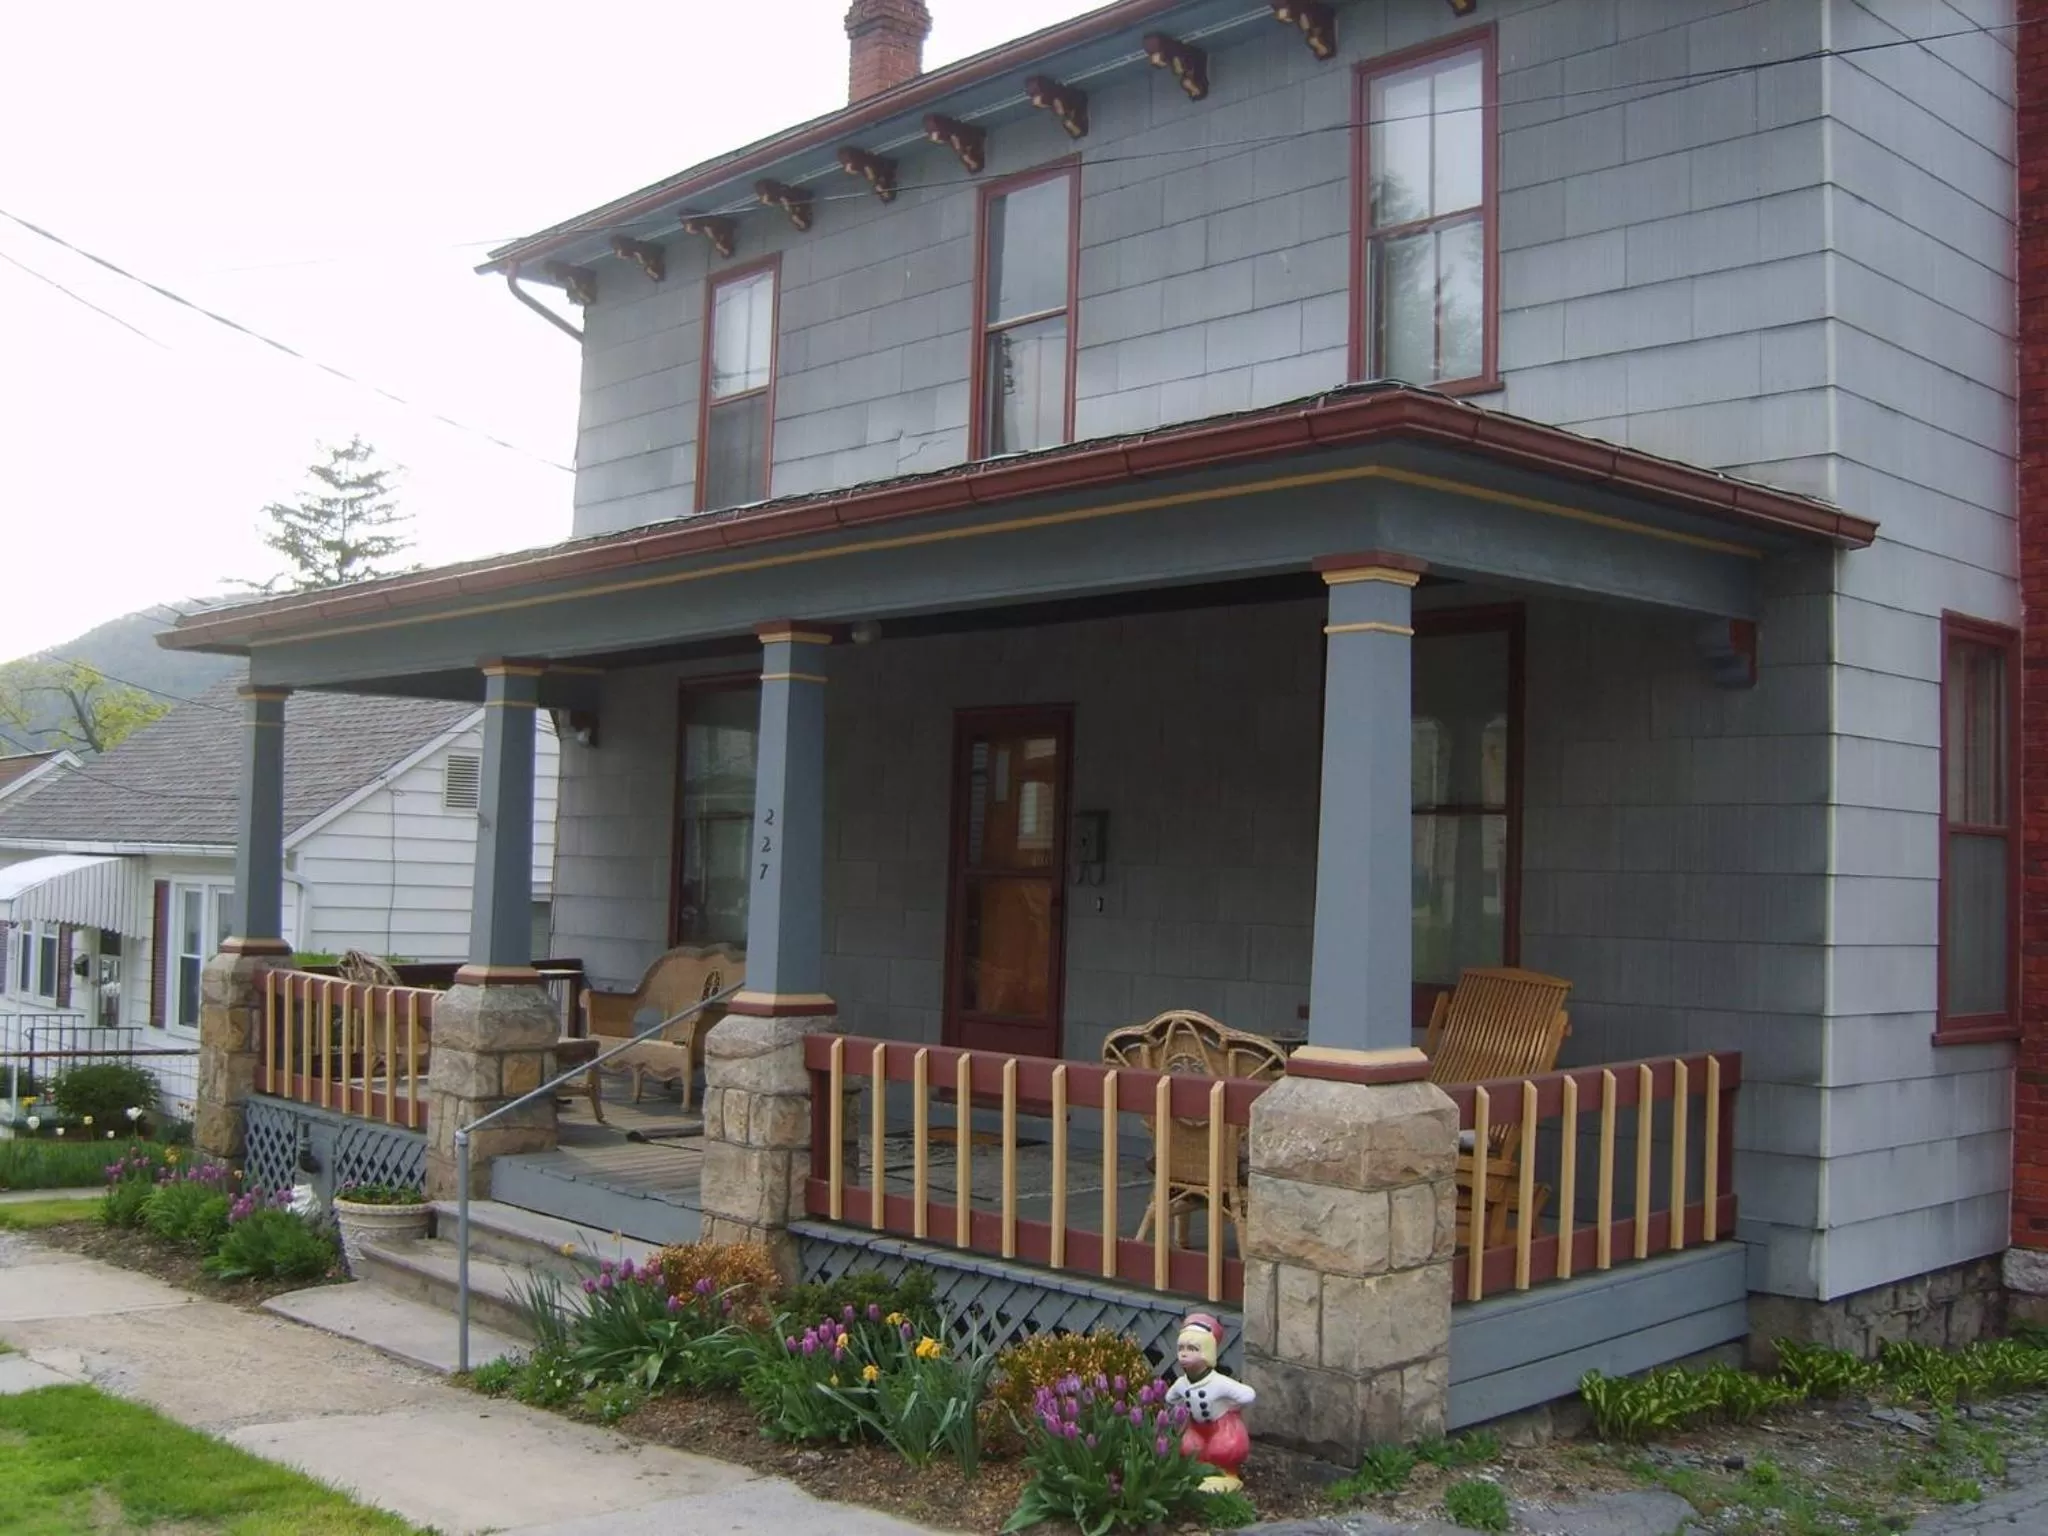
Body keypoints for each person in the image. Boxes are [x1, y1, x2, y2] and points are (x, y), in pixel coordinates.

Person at [1164, 1311, 1255, 1492]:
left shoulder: (1218, 1383)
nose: (1184, 1354)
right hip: (1196, 1427)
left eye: (1192, 1349)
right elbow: (1170, 1397)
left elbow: (1248, 1395)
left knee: (1225, 1447)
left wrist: (1231, 1406)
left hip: (1221, 1426)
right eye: (1181, 1348)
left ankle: (1228, 1475)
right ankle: (1198, 1472)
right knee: (1188, 1446)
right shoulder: (1182, 1383)